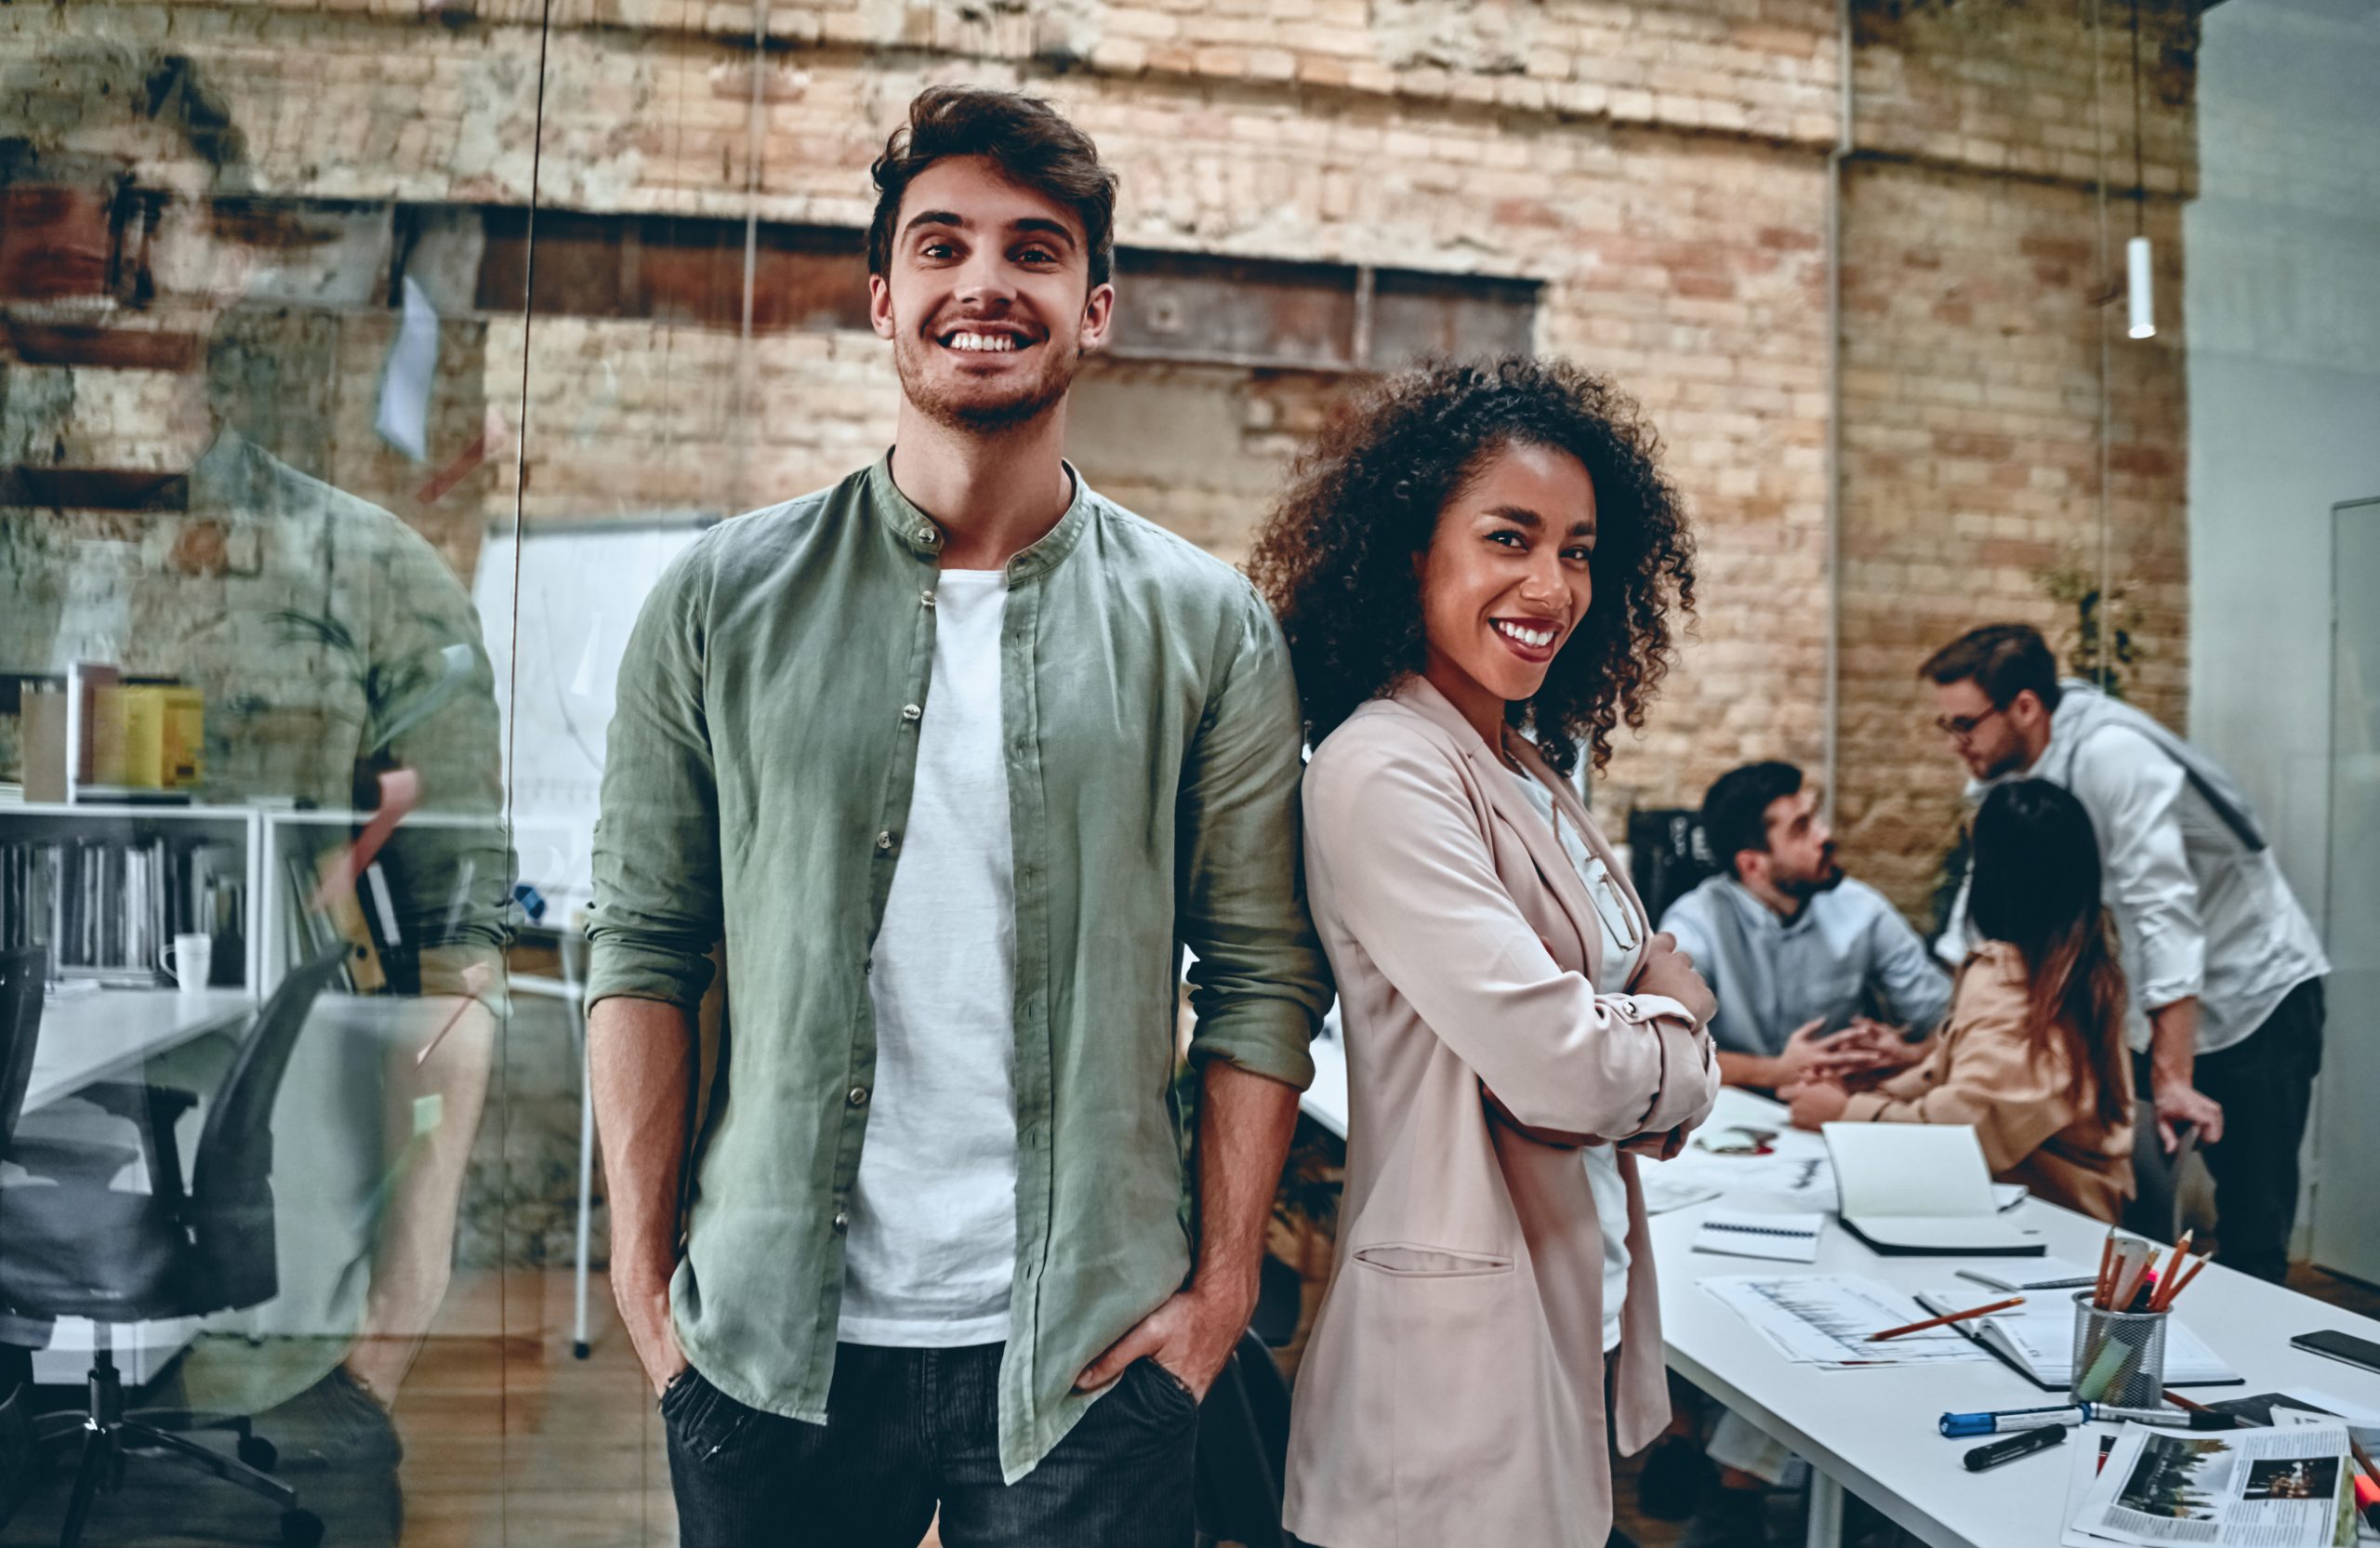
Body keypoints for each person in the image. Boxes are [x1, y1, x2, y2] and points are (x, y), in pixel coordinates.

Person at [585, 86, 1330, 1548]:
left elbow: (1259, 974)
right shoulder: (719, 603)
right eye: (942, 246)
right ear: (884, 297)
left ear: (1095, 306)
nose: (985, 282)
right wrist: (643, 1279)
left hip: (1092, 1360)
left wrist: (1223, 1292)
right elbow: (644, 940)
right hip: (767, 1348)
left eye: (1034, 250)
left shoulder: (1208, 626)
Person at [0, 42, 509, 1537]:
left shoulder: (365, 581)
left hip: (259, 1379)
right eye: (72, 210)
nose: (118, 257)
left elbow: (458, 981)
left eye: (157, 209)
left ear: (228, 251)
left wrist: (380, 1351)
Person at [1250, 356, 1720, 1548]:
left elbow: (1594, 1036)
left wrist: (1629, 1061)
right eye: (1509, 537)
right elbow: (1563, 1068)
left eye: (1576, 549)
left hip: (1566, 1317)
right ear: (1414, 552)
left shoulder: (1520, 760)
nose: (1551, 584)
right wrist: (1681, 1039)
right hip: (1446, 1389)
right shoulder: (1384, 767)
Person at [1921, 624, 2327, 1280]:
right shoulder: (2005, 763)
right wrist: (1941, 1042)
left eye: (1965, 723)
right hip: (2148, 1002)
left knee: (2252, 1222)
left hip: (2254, 994)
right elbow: (1985, 896)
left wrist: (2173, 1078)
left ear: (2024, 706)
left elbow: (2162, 910)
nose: (1956, 743)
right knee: (2141, 1215)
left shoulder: (2115, 755)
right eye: (1948, 726)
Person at [1782, 780, 2135, 1223]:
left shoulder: (2026, 988)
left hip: (2055, 1221)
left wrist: (1843, 1111)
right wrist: (1862, 1088)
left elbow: (1961, 1135)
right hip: (2035, 1206)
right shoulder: (2067, 965)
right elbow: (1956, 1072)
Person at [1659, 761, 1951, 1093]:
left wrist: (1911, 1055)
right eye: (1802, 828)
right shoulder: (1696, 923)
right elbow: (1667, 1051)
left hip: (1835, 1105)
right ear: (1752, 863)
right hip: (1730, 1111)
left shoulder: (1863, 910)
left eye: (1815, 816)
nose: (1824, 835)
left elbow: (1950, 1024)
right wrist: (1774, 1072)